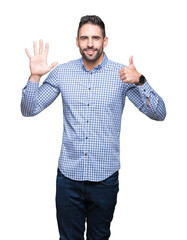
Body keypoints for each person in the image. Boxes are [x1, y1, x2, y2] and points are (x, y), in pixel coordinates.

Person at [21, 15, 166, 240]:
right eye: (84, 38)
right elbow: (29, 109)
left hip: (105, 179)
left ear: (105, 41)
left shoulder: (123, 75)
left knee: (99, 237)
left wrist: (141, 81)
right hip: (68, 178)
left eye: (95, 38)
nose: (90, 43)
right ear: (77, 41)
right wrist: (34, 76)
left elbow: (159, 114)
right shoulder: (62, 73)